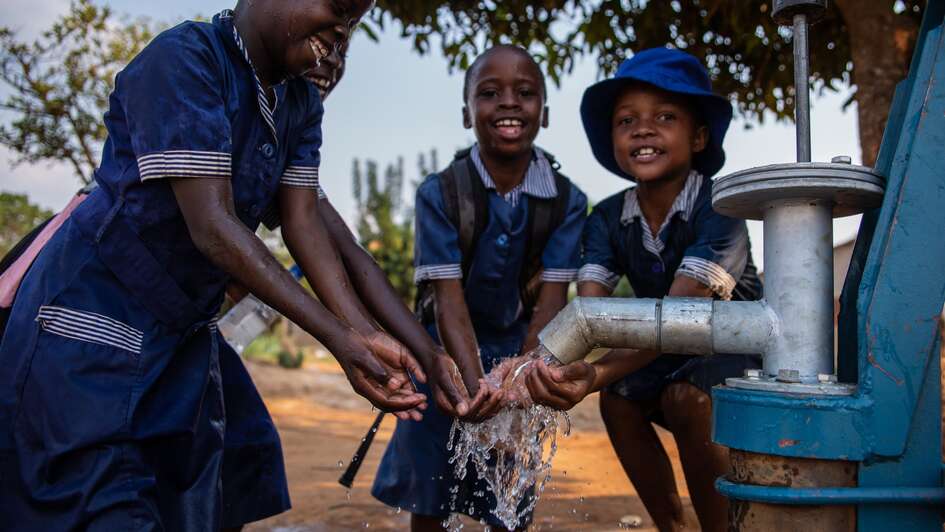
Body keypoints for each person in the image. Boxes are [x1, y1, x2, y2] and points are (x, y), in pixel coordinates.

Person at [0, 2, 440, 529]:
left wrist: (362, 335)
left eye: (356, 19)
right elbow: (213, 227)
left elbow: (305, 226)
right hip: (95, 326)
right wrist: (341, 339)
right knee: (99, 502)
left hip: (180, 343)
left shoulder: (298, 102)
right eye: (338, 6)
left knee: (190, 503)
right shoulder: (186, 59)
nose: (343, 31)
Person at [521, 48, 763, 532]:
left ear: (698, 137)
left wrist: (598, 371)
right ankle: (670, 525)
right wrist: (537, 367)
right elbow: (589, 310)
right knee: (619, 400)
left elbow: (682, 315)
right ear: (613, 140)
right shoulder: (608, 217)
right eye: (626, 120)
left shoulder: (721, 206)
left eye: (665, 117)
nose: (643, 129)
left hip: (735, 349)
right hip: (666, 346)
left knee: (683, 399)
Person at [371, 45, 588, 532]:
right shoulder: (441, 192)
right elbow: (448, 300)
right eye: (489, 93)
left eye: (525, 93)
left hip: (522, 351)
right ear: (467, 113)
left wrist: (520, 380)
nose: (508, 103)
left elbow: (552, 302)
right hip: (444, 355)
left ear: (545, 114)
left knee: (510, 497)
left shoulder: (568, 201)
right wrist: (473, 386)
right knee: (430, 494)